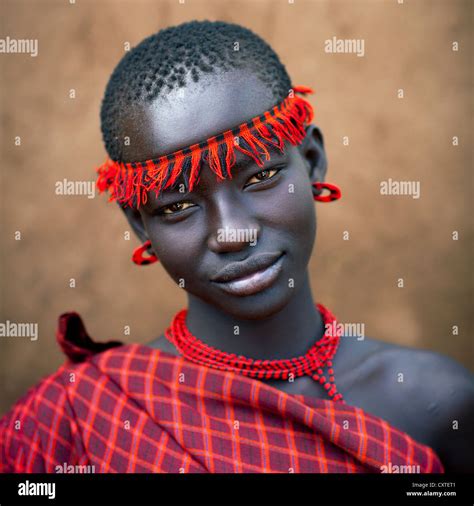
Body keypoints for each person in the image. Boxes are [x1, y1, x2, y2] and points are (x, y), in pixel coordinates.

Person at [1, 20, 473, 473]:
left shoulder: (437, 403)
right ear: (140, 224)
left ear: (311, 162)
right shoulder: (71, 420)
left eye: (262, 176)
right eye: (178, 206)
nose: (232, 233)